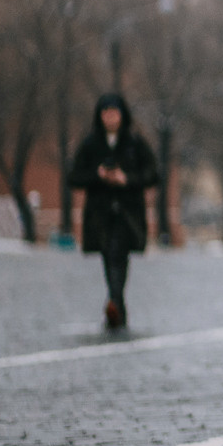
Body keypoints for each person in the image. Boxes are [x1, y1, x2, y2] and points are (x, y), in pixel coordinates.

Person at [68, 93, 160, 331]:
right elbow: (74, 176)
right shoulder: (91, 144)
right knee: (110, 256)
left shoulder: (134, 143)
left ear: (122, 115)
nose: (110, 118)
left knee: (118, 253)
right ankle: (117, 304)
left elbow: (154, 174)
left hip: (128, 213)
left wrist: (126, 179)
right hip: (100, 214)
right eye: (106, 113)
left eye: (114, 112)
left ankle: (115, 302)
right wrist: (97, 176)